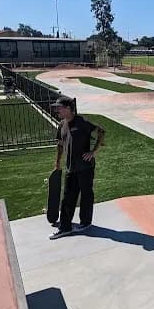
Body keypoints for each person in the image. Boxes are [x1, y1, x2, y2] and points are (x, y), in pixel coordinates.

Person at [50, 96, 105, 239]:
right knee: (68, 197)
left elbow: (101, 131)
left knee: (86, 195)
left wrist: (94, 151)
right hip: (71, 168)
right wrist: (57, 162)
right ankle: (65, 227)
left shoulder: (82, 122)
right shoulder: (62, 124)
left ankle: (86, 222)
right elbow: (60, 145)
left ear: (68, 108)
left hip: (85, 167)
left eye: (59, 108)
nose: (57, 111)